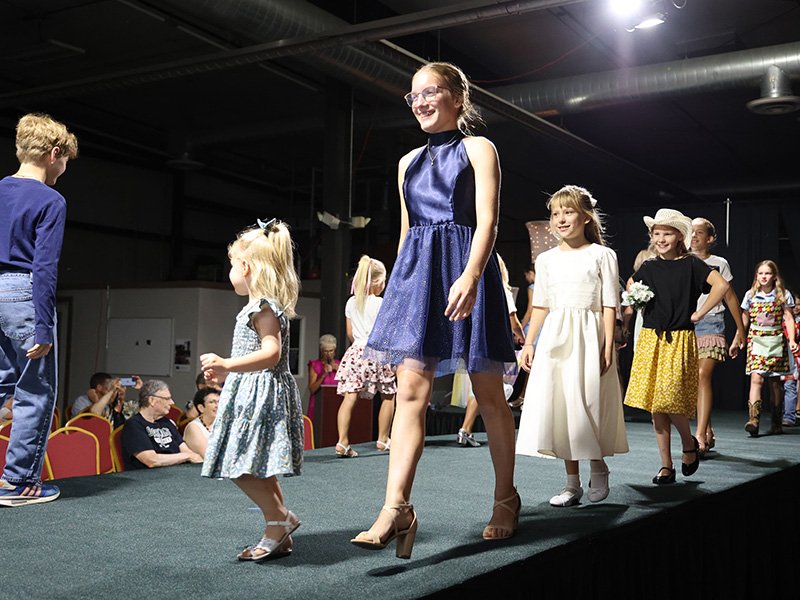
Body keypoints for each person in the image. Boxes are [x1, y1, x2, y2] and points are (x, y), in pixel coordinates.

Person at [352, 62, 519, 558]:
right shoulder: (406, 162)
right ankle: (396, 507)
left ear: (457, 99)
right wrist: (395, 302)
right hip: (418, 278)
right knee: (410, 392)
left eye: (431, 92)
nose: (421, 102)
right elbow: (407, 237)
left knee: (489, 394)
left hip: (469, 269)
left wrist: (470, 275)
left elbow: (488, 221)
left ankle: (505, 498)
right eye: (413, 96)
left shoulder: (478, 149)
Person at [515, 186, 628, 506]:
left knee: (588, 402)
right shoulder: (547, 259)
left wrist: (606, 345)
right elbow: (541, 305)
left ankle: (599, 466)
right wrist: (529, 343)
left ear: (585, 216)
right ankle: (571, 482)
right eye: (555, 213)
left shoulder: (603, 255)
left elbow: (609, 304)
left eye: (568, 211)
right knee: (562, 406)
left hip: (589, 334)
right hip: (555, 336)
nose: (561, 219)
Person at [201, 219, 304, 562]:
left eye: (231, 264)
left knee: (238, 463)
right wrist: (229, 373)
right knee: (255, 465)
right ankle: (281, 522)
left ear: (244, 266)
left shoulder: (264, 308)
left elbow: (271, 352)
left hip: (261, 392)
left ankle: (278, 522)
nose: (230, 272)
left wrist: (228, 364)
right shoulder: (258, 307)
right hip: (251, 389)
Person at [0, 113, 78, 507]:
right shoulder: (51, 199)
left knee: (1, 383)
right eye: (65, 162)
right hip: (22, 293)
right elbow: (44, 266)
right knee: (34, 391)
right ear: (53, 154)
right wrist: (44, 325)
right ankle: (18, 483)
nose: (63, 171)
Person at [624, 209, 729, 485]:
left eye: (667, 233)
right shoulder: (649, 266)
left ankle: (688, 443)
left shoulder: (692, 264)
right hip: (651, 339)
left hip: (679, 338)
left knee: (668, 400)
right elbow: (632, 284)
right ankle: (666, 466)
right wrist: (639, 301)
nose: (661, 239)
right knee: (656, 406)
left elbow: (720, 285)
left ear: (680, 235)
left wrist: (701, 312)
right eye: (656, 233)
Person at [455, 253, 524, 446]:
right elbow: (513, 320)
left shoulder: (475, 291)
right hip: (494, 344)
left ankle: (465, 429)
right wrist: (524, 338)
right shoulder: (502, 290)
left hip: (473, 344)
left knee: (478, 389)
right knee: (496, 390)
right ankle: (475, 430)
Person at [690, 217, 746, 454]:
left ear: (710, 239)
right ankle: (708, 428)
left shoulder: (718, 263)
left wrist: (740, 332)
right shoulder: (683, 261)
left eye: (699, 233)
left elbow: (730, 296)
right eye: (690, 232)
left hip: (711, 323)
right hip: (685, 325)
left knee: (703, 375)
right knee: (694, 380)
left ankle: (700, 435)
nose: (693, 236)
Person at [334, 255, 396, 457]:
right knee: (388, 395)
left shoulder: (351, 303)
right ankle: (383, 439)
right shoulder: (380, 303)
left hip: (355, 351)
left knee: (349, 397)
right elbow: (385, 333)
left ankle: (342, 442)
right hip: (376, 351)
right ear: (378, 281)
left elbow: (350, 334)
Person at [741, 260, 797, 436]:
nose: (763, 277)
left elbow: (788, 318)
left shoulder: (783, 294)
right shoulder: (750, 295)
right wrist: (738, 338)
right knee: (756, 378)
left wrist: (792, 340)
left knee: (774, 382)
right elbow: (744, 318)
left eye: (767, 273)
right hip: (756, 339)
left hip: (775, 340)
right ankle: (753, 420)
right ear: (756, 276)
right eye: (760, 273)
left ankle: (775, 420)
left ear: (774, 276)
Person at [120, 380, 203, 470]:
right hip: (148, 479)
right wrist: (187, 456)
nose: (172, 402)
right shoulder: (134, 425)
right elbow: (151, 460)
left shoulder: (167, 422)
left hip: (174, 474)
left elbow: (186, 450)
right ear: (151, 400)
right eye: (167, 399)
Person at [72, 372, 142, 428]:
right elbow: (95, 412)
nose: (120, 390)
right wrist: (112, 391)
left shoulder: (130, 406)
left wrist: (142, 388)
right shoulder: (107, 408)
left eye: (123, 387)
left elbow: (151, 405)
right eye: (117, 388)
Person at [307, 334, 339, 419]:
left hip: (335, 404)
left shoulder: (340, 365)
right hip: (319, 404)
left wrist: (340, 372)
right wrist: (323, 375)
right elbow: (312, 389)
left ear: (335, 351)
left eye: (331, 351)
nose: (328, 354)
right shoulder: (315, 365)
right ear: (321, 351)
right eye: (326, 351)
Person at [182, 387, 220, 458]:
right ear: (201, 408)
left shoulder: (222, 425)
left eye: (219, 402)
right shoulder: (193, 427)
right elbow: (208, 456)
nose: (217, 406)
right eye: (212, 402)